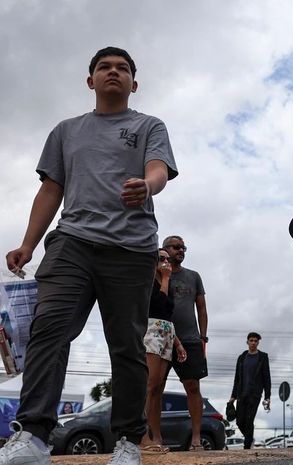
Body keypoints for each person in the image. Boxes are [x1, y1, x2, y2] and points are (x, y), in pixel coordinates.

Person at [2, 46, 177, 465]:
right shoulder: (66, 130)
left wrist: (148, 186)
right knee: (49, 329)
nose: (112, 72)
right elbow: (50, 189)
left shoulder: (149, 125)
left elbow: (158, 168)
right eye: (104, 67)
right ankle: (33, 437)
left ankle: (128, 442)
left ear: (134, 83)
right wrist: (28, 243)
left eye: (121, 69)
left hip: (132, 248)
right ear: (91, 80)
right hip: (71, 243)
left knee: (127, 345)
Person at [162, 235, 209, 450]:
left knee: (193, 386)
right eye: (176, 247)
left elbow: (201, 307)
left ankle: (196, 438)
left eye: (183, 248)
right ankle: (153, 438)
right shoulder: (157, 274)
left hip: (190, 338)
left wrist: (203, 337)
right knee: (154, 387)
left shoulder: (193, 276)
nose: (180, 250)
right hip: (161, 337)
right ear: (164, 250)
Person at [140, 248, 187, 453]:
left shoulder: (164, 283)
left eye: (167, 259)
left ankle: (154, 436)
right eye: (161, 259)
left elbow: (167, 315)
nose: (166, 262)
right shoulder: (149, 281)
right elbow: (156, 305)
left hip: (166, 333)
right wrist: (166, 278)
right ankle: (141, 436)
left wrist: (177, 343)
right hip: (151, 332)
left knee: (158, 388)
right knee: (149, 385)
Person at [230, 332, 271, 449]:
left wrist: (267, 397)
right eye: (251, 340)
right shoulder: (242, 357)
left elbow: (267, 377)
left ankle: (247, 446)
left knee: (249, 420)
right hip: (241, 394)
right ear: (247, 342)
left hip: (255, 394)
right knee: (239, 421)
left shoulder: (263, 357)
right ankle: (250, 438)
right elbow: (236, 378)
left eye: (255, 341)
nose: (253, 343)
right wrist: (233, 396)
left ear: (258, 343)